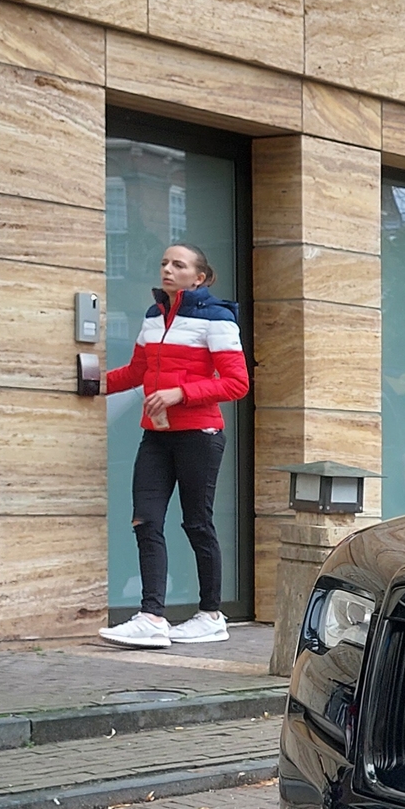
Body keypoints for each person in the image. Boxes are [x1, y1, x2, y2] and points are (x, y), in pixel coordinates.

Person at [98, 243, 251, 649]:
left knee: (196, 523)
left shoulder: (215, 318)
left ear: (198, 277)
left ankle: (211, 615)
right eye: (164, 262)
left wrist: (179, 393)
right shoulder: (154, 316)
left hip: (199, 434)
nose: (167, 268)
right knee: (145, 519)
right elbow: (136, 371)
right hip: (157, 435)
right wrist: (92, 383)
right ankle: (151, 617)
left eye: (178, 265)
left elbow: (236, 384)